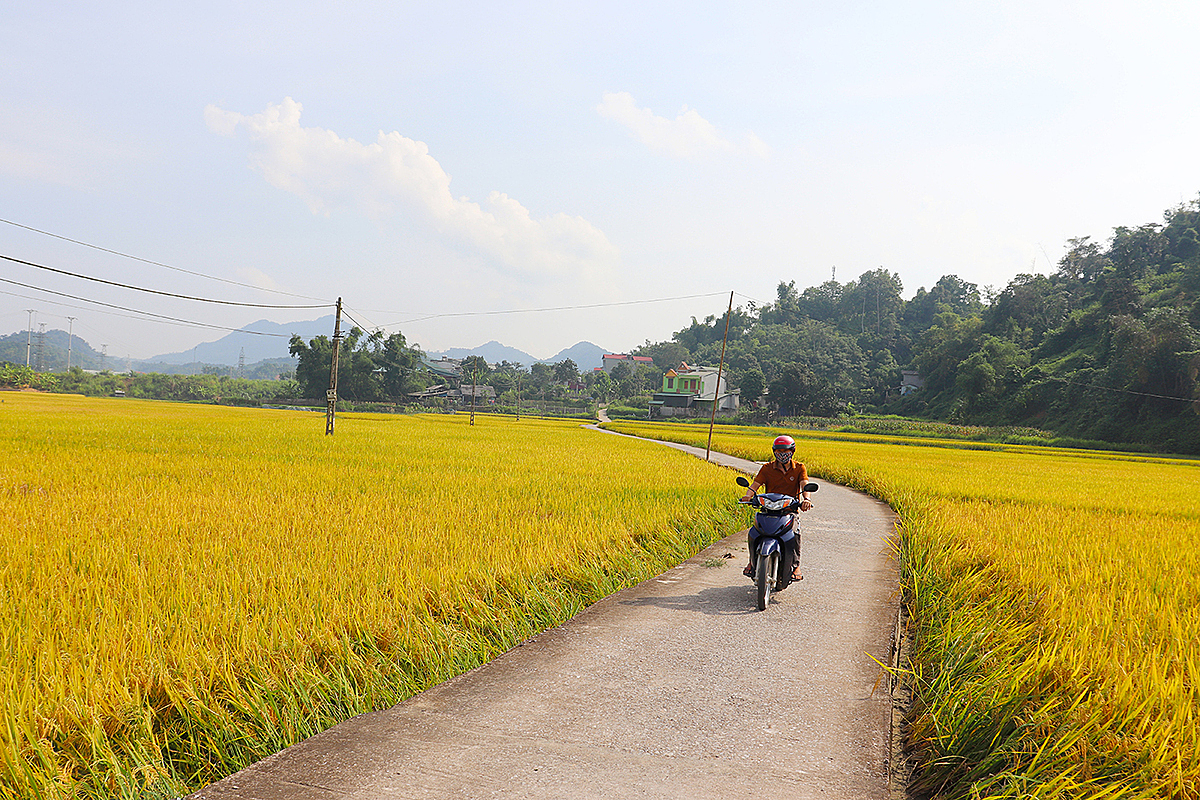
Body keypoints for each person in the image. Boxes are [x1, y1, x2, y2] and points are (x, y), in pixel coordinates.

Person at [741, 434, 813, 582]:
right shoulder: (767, 468)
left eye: (785, 451)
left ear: (792, 451)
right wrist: (748, 496)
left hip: (789, 509)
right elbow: (755, 485)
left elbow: (804, 485)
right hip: (768, 508)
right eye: (778, 451)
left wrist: (806, 499)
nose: (782, 454)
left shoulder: (799, 468)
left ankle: (796, 565)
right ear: (774, 452)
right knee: (754, 532)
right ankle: (752, 561)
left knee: (796, 534)